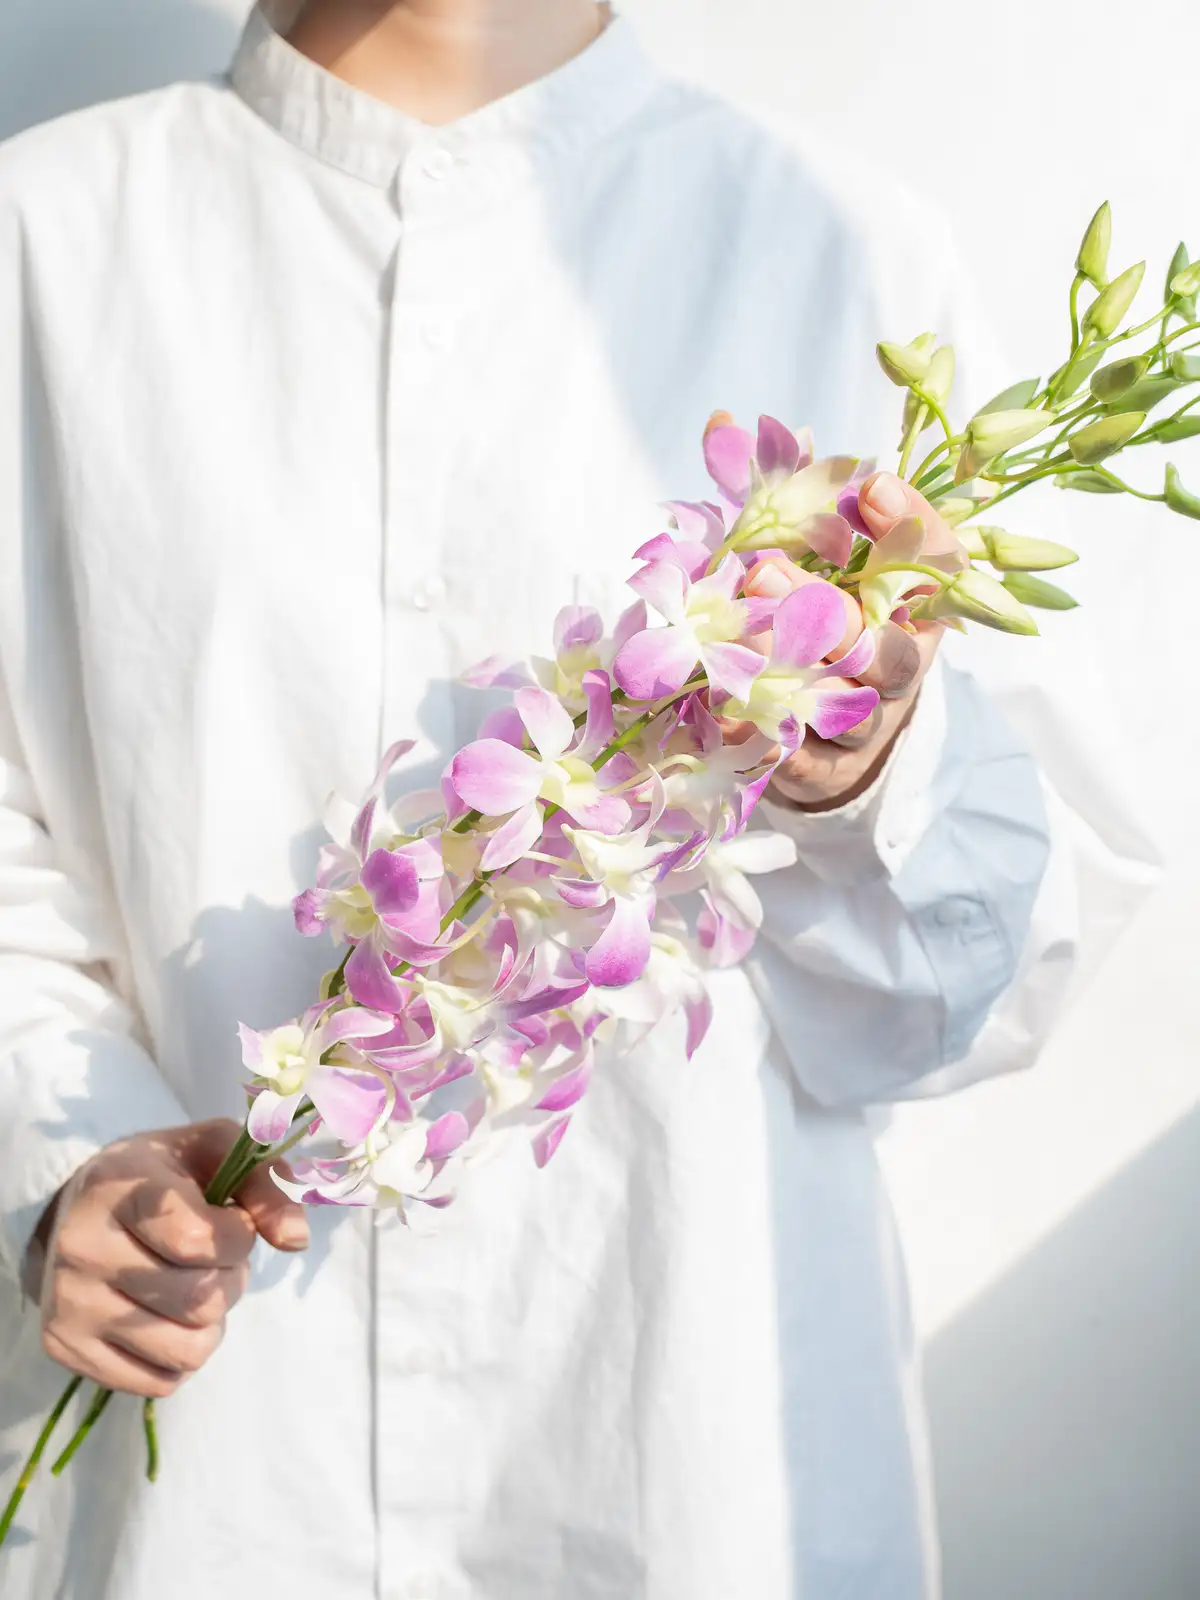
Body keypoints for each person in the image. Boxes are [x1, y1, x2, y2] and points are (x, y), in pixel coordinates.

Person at [0, 3, 1155, 1597]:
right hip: (224, 1478)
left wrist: (862, 772)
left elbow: (996, 978)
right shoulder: (44, 241)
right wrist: (64, 1157)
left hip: (685, 1455)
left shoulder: (840, 253)